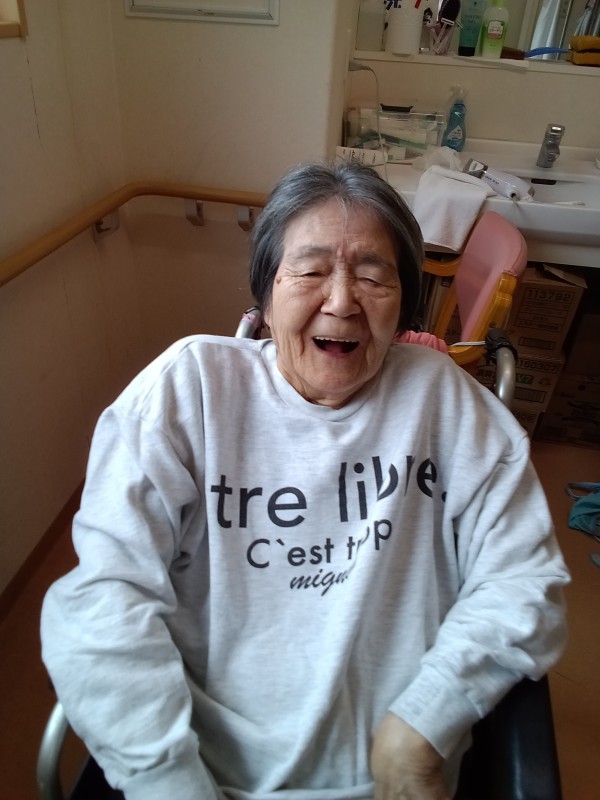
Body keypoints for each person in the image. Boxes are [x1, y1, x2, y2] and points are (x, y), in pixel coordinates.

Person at [41, 161, 569, 800]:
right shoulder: (190, 390)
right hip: (202, 777)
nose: (341, 301)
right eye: (311, 271)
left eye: (372, 275)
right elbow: (103, 600)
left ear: (404, 304)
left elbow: (524, 581)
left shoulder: (444, 404)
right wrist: (168, 780)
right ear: (265, 299)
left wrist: (422, 725)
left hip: (395, 780)